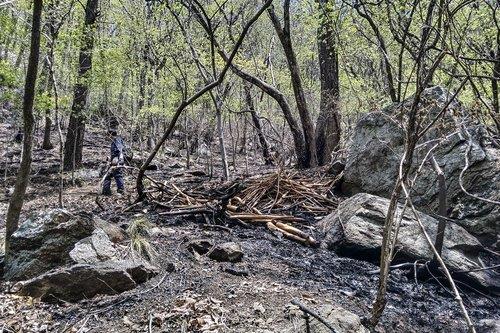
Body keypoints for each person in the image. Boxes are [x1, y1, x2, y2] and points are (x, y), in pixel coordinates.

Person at [102, 129, 126, 195]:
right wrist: (110, 159)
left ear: (111, 134)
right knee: (108, 175)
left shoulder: (117, 140)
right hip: (115, 160)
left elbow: (119, 150)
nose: (107, 136)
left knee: (118, 175)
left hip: (117, 161)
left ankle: (121, 191)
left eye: (108, 134)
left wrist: (118, 161)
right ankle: (106, 191)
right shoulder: (115, 140)